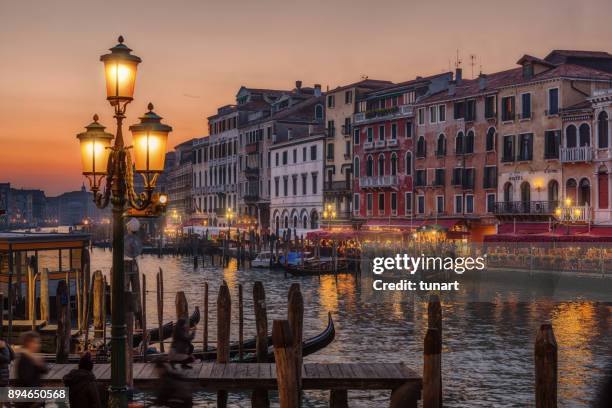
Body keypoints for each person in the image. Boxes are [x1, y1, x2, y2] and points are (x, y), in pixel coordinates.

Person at [14, 331, 48, 408]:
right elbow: (26, 379)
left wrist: (39, 363)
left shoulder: (34, 357)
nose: (38, 345)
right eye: (36, 343)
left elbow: (45, 370)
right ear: (29, 343)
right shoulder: (24, 359)